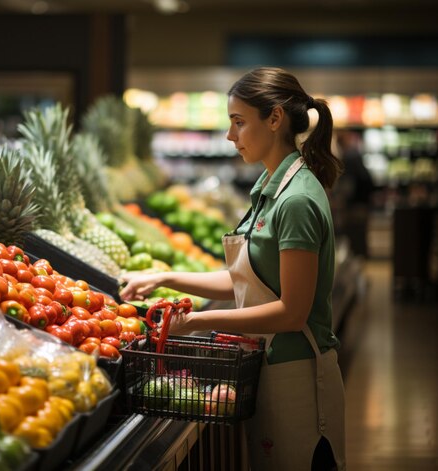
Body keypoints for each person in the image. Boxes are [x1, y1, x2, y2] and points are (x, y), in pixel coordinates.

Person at [120, 67, 346, 471]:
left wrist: (193, 322)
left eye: (239, 122)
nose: (230, 136)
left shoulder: (295, 201)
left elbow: (292, 312)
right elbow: (245, 278)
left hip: (298, 377)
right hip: (270, 367)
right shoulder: (269, 187)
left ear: (274, 119)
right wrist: (164, 277)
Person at [333, 129, 375, 258]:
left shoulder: (349, 157)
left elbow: (349, 184)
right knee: (360, 233)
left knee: (355, 234)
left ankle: (357, 262)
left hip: (355, 205)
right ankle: (360, 261)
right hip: (363, 202)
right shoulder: (354, 155)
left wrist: (341, 200)